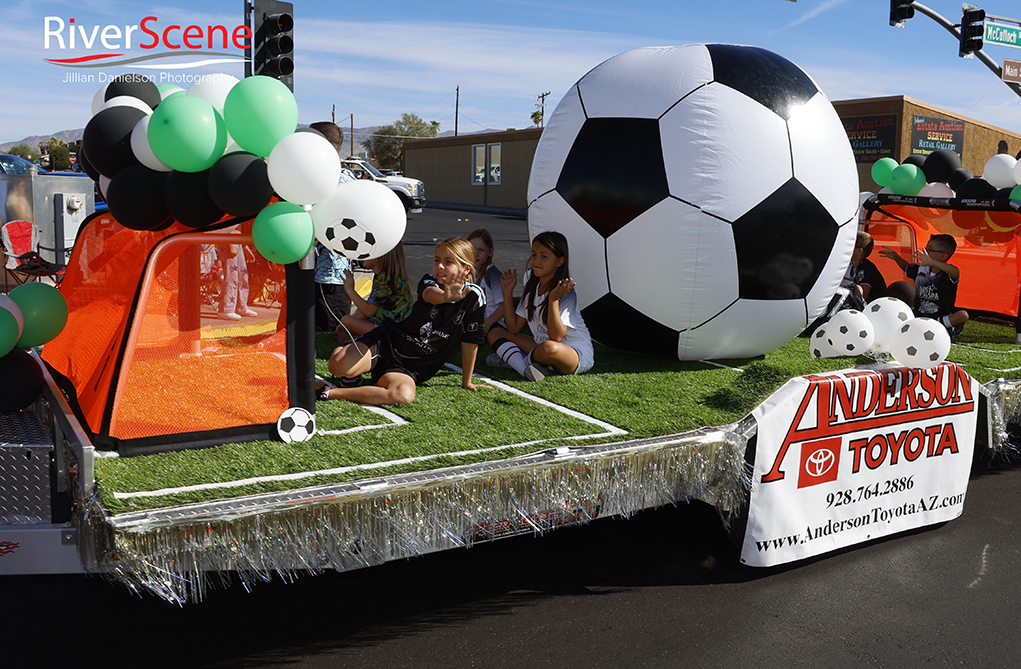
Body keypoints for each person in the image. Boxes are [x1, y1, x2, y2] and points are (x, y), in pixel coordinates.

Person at [320, 238, 488, 405]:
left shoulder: (475, 297)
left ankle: (330, 393)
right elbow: (429, 294)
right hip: (388, 342)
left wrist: (467, 382)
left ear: (466, 269)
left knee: (404, 395)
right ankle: (350, 350)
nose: (440, 266)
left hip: (408, 368)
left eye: (448, 261)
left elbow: (470, 341)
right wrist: (445, 296)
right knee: (339, 367)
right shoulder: (429, 281)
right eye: (437, 260)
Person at [486, 231, 594, 381]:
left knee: (550, 348)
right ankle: (527, 368)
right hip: (539, 346)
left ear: (559, 261)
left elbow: (556, 338)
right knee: (496, 332)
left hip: (572, 353)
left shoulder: (566, 292)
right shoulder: (532, 285)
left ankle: (515, 362)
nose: (536, 261)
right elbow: (513, 328)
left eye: (544, 256)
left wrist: (553, 299)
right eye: (534, 254)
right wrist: (507, 292)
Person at [310, 121, 356, 332]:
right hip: (320, 274)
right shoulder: (341, 176)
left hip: (330, 277)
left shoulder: (336, 179)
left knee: (330, 337)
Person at [879, 233, 969, 337]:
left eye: (929, 249)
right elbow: (907, 268)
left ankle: (938, 326)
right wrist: (896, 257)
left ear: (943, 256)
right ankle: (922, 325)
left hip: (940, 317)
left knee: (963, 315)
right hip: (918, 315)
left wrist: (932, 262)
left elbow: (955, 271)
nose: (925, 251)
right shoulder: (921, 269)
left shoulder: (947, 273)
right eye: (926, 247)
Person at [337, 243, 414, 342]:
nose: (363, 254)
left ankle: (358, 337)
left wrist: (350, 290)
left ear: (379, 257)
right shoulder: (389, 276)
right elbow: (370, 307)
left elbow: (369, 311)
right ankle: (354, 334)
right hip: (393, 326)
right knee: (357, 313)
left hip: (392, 333)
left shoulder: (384, 281)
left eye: (367, 252)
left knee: (346, 319)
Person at [467, 229, 504, 334]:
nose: (476, 254)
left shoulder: (492, 274)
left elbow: (504, 306)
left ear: (490, 252)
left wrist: (487, 323)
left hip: (493, 324)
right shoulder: (468, 273)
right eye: (472, 250)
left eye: (481, 250)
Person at [846, 231, 887, 303]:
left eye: (851, 245)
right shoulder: (850, 266)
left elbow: (864, 293)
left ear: (860, 251)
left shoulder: (867, 269)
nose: (847, 248)